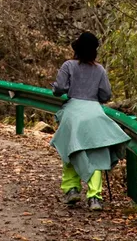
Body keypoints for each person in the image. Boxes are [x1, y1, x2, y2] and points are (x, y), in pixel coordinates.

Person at [49, 31, 130, 211]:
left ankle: (72, 189)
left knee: (71, 149)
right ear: (94, 52)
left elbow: (59, 88)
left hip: (73, 113)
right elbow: (106, 94)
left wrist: (57, 88)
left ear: (77, 49)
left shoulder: (68, 65)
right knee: (96, 154)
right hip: (95, 113)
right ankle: (95, 197)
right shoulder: (100, 70)